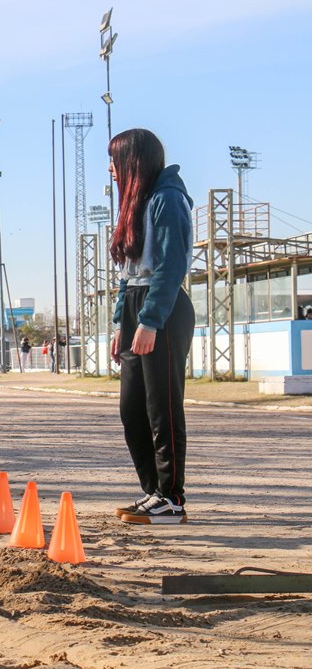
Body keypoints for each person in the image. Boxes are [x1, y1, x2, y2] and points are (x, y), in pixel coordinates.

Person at [108, 128, 196, 526]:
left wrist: (150, 322)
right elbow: (128, 273)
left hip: (161, 308)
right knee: (132, 409)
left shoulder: (167, 199)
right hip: (134, 307)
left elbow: (169, 268)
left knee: (162, 407)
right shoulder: (137, 202)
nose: (110, 170)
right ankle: (153, 493)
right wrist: (118, 324)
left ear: (133, 162)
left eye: (114, 161)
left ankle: (172, 498)